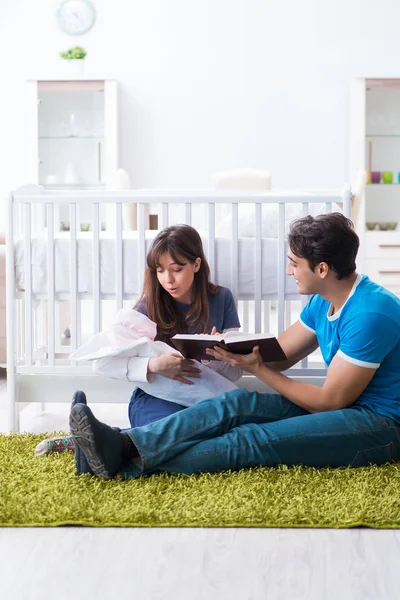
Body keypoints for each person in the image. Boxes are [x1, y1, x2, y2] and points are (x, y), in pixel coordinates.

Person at [69, 212, 400, 480]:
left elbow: (330, 401)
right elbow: (279, 355)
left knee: (251, 440)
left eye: (294, 263)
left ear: (323, 269)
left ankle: (122, 460)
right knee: (234, 404)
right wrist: (229, 351)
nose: (289, 270)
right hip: (348, 409)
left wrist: (256, 369)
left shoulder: (371, 313)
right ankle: (119, 444)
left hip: (379, 424)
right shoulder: (323, 299)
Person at [35, 224, 242, 467]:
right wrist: (154, 365)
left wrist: (217, 357)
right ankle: (109, 442)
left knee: (203, 434)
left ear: (196, 265)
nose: (168, 279)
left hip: (203, 395)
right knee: (175, 432)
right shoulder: (149, 306)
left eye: (177, 269)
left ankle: (101, 442)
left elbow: (235, 372)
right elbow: (106, 361)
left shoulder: (221, 298)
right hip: (155, 397)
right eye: (160, 270)